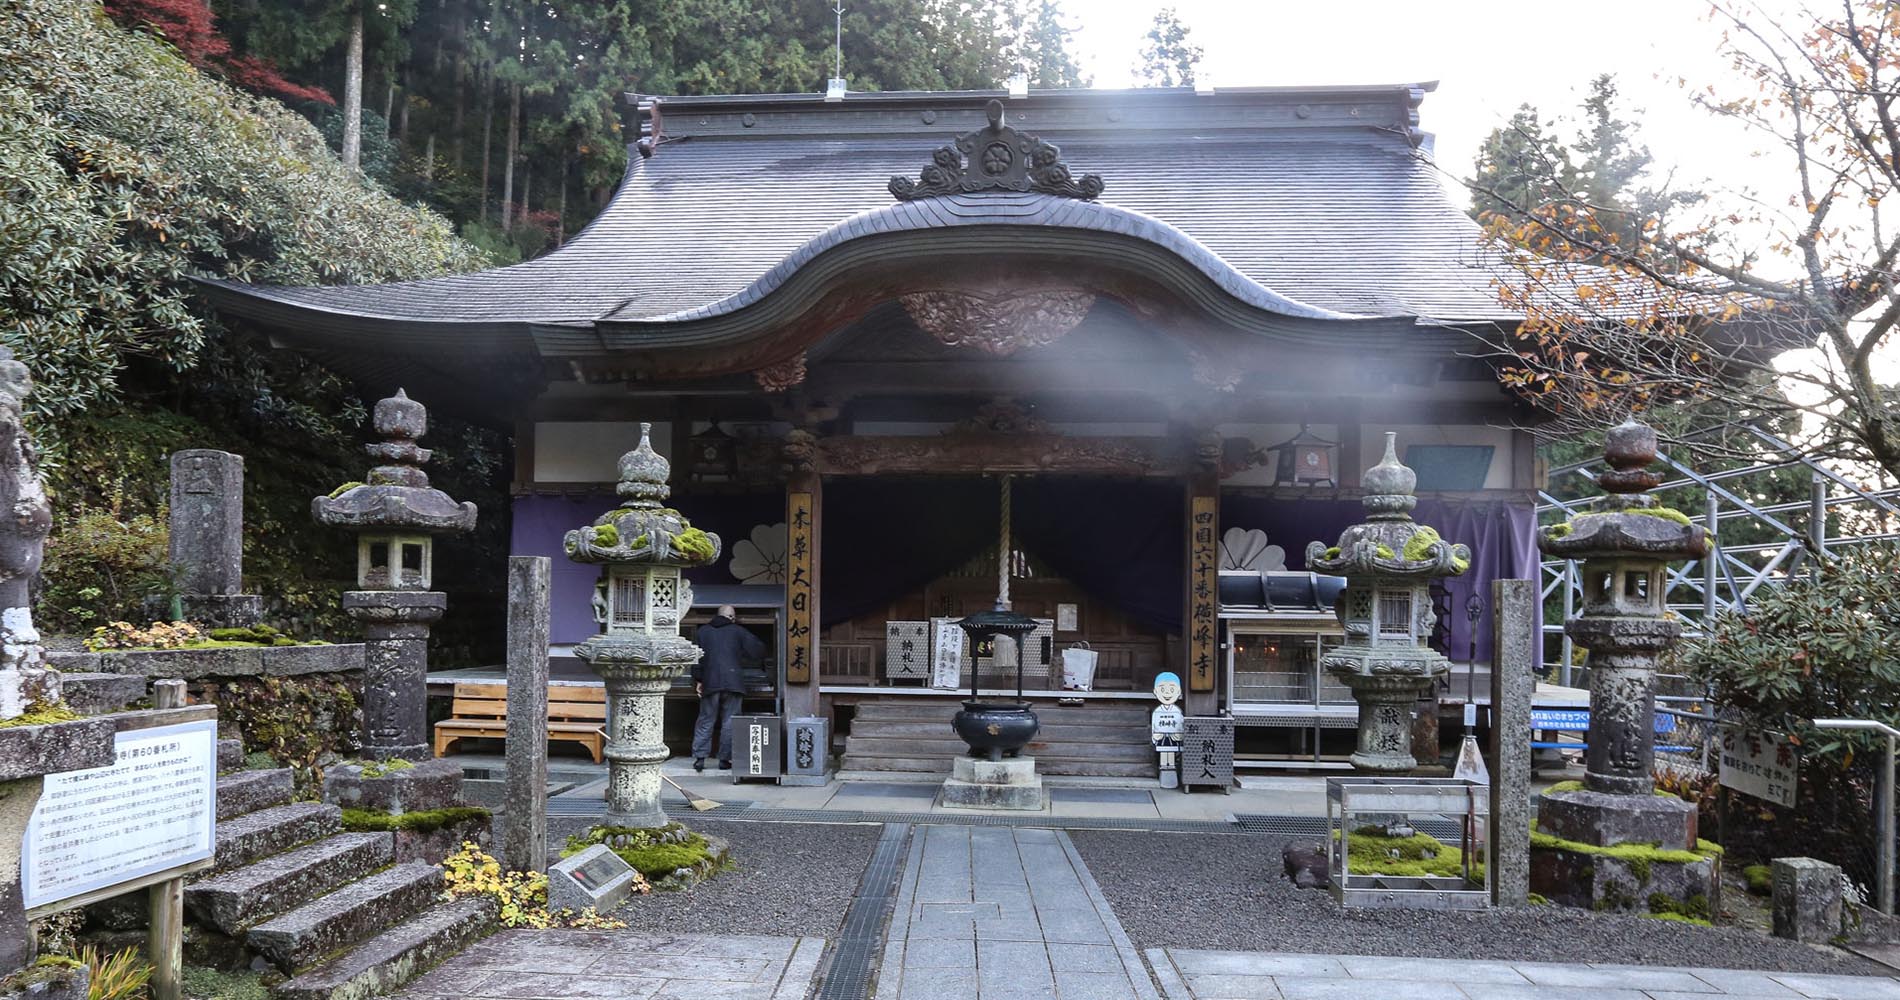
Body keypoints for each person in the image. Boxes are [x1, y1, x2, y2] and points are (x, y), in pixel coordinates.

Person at [691, 604, 764, 770]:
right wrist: (740, 657)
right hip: (733, 682)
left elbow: (696, 658)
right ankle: (724, 759)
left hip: (710, 681)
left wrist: (699, 680)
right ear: (731, 617)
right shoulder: (738, 631)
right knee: (730, 721)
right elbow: (758, 650)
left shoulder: (702, 632)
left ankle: (700, 758)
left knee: (706, 720)